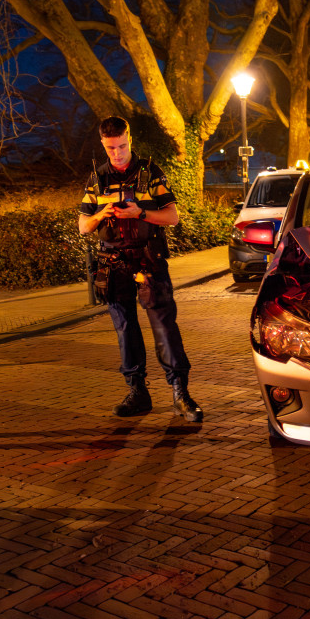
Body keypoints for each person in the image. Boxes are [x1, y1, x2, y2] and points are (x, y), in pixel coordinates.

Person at [78, 116, 202, 422]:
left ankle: (180, 394)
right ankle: (137, 392)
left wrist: (140, 213)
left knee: (164, 327)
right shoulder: (97, 179)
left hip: (149, 261)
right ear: (103, 144)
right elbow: (83, 226)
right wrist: (101, 214)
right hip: (113, 263)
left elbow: (172, 217)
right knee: (125, 330)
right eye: (110, 148)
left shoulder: (150, 172)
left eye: (121, 146)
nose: (117, 153)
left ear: (129, 140)